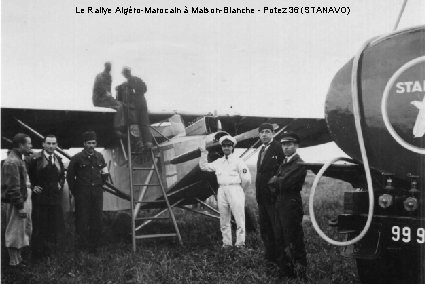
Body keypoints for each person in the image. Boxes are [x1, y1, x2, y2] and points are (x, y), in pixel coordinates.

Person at [199, 135, 251, 247]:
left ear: (232, 147)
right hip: (222, 190)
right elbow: (203, 166)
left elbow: (246, 179)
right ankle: (226, 243)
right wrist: (204, 152)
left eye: (229, 146)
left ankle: (240, 244)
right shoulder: (218, 162)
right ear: (222, 148)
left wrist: (240, 190)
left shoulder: (238, 161)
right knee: (224, 219)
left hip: (235, 189)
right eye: (224, 146)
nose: (226, 148)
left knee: (239, 219)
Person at [269, 132, 307, 279]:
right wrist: (277, 181)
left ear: (296, 146)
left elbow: (281, 183)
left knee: (293, 238)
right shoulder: (285, 163)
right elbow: (275, 183)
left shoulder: (299, 163)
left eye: (289, 144)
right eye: (284, 145)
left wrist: (276, 180)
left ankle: (300, 273)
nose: (285, 147)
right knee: (280, 237)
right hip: (280, 203)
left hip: (291, 204)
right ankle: (286, 272)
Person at [66, 131, 108, 252]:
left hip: (97, 194)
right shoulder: (77, 158)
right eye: (88, 143)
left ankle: (94, 245)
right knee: (82, 219)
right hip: (82, 194)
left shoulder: (100, 156)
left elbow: (105, 173)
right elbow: (70, 177)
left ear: (96, 143)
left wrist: (99, 185)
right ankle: (82, 245)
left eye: (93, 143)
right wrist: (77, 192)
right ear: (84, 143)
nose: (91, 145)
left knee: (97, 219)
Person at [28, 135, 65, 260]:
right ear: (43, 144)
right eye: (48, 143)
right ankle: (37, 255)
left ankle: (50, 253)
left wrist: (61, 183)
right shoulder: (34, 159)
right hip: (40, 199)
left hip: (54, 199)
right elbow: (26, 176)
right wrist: (32, 186)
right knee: (39, 226)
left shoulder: (58, 159)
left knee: (53, 225)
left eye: (53, 143)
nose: (51, 146)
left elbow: (62, 176)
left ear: (56, 145)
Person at [1, 133, 33, 268]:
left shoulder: (18, 159)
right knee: (14, 232)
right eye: (29, 143)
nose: (31, 146)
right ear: (21, 145)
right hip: (15, 202)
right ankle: (14, 262)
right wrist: (20, 207)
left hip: (21, 199)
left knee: (22, 231)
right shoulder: (12, 162)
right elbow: (13, 188)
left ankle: (18, 259)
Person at [255, 123, 284, 265]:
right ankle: (270, 257)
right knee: (265, 227)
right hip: (262, 197)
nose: (264, 134)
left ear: (273, 133)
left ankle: (280, 259)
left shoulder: (278, 148)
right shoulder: (261, 149)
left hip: (273, 197)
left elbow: (283, 170)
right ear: (259, 135)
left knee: (276, 227)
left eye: (267, 131)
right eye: (262, 132)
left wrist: (276, 190)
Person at [122, 66, 153, 148]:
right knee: (144, 123)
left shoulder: (126, 84)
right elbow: (145, 88)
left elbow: (125, 98)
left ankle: (139, 142)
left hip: (135, 105)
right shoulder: (137, 79)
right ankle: (147, 142)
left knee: (134, 123)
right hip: (142, 102)